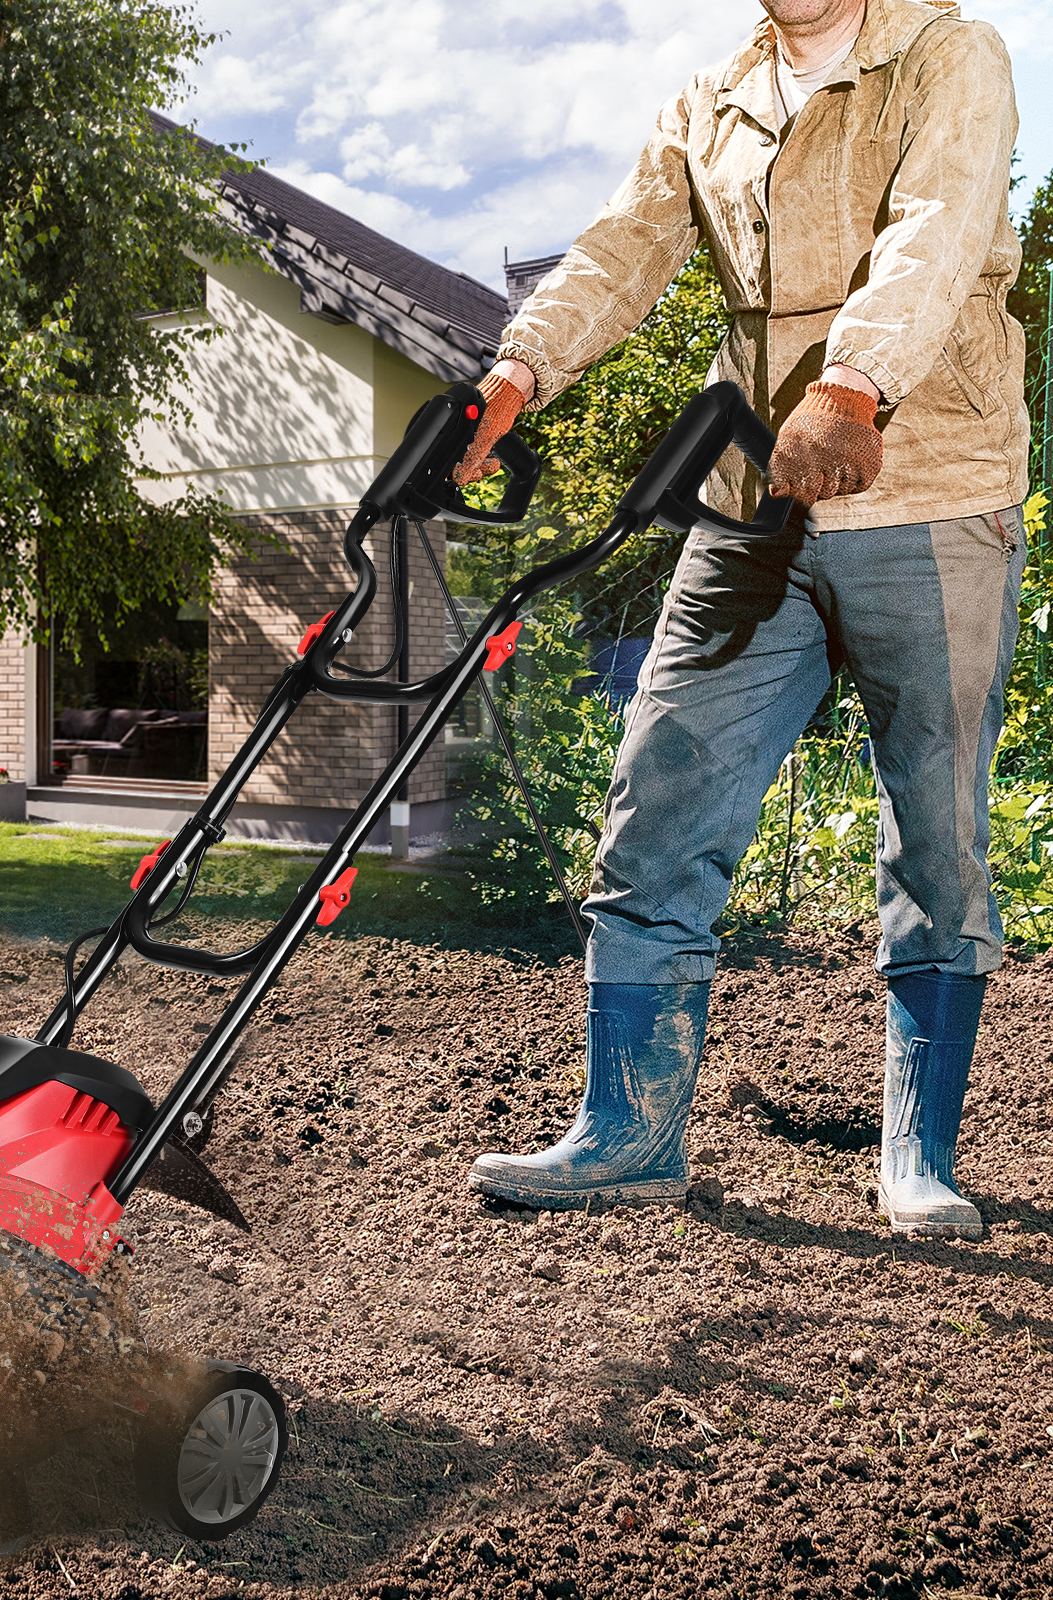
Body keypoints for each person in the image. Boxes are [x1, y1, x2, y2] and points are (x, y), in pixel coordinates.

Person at [462, 0, 1027, 1238]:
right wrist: (515, 369)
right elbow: (621, 248)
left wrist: (852, 380)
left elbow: (936, 227)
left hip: (922, 486)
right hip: (750, 500)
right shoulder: (711, 97)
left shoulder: (946, 51)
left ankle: (916, 1154)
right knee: (657, 794)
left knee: (935, 829)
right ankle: (626, 1130)